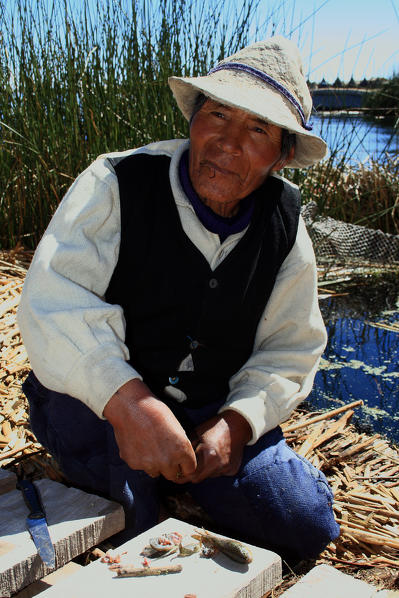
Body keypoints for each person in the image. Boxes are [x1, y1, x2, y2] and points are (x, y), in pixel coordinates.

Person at [18, 35, 340, 562]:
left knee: (305, 524)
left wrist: (237, 423)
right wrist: (129, 404)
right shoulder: (116, 184)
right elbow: (53, 304)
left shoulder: (286, 227)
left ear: (282, 155)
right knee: (134, 528)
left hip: (210, 406)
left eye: (257, 128)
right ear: (193, 118)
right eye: (217, 115)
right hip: (95, 400)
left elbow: (291, 349)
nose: (227, 142)